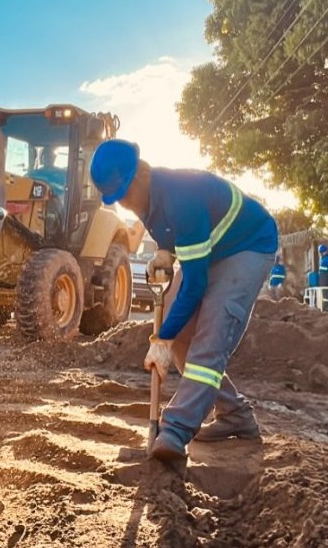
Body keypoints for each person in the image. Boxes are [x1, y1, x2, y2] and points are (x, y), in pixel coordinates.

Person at [90, 139, 278, 467]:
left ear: (140, 176)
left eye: (123, 194)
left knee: (210, 335)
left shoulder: (181, 197)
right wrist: (164, 254)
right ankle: (235, 416)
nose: (124, 204)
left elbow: (195, 284)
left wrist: (161, 340)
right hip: (211, 250)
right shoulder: (146, 202)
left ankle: (175, 430)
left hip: (248, 246)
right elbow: (173, 240)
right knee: (177, 335)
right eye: (116, 199)